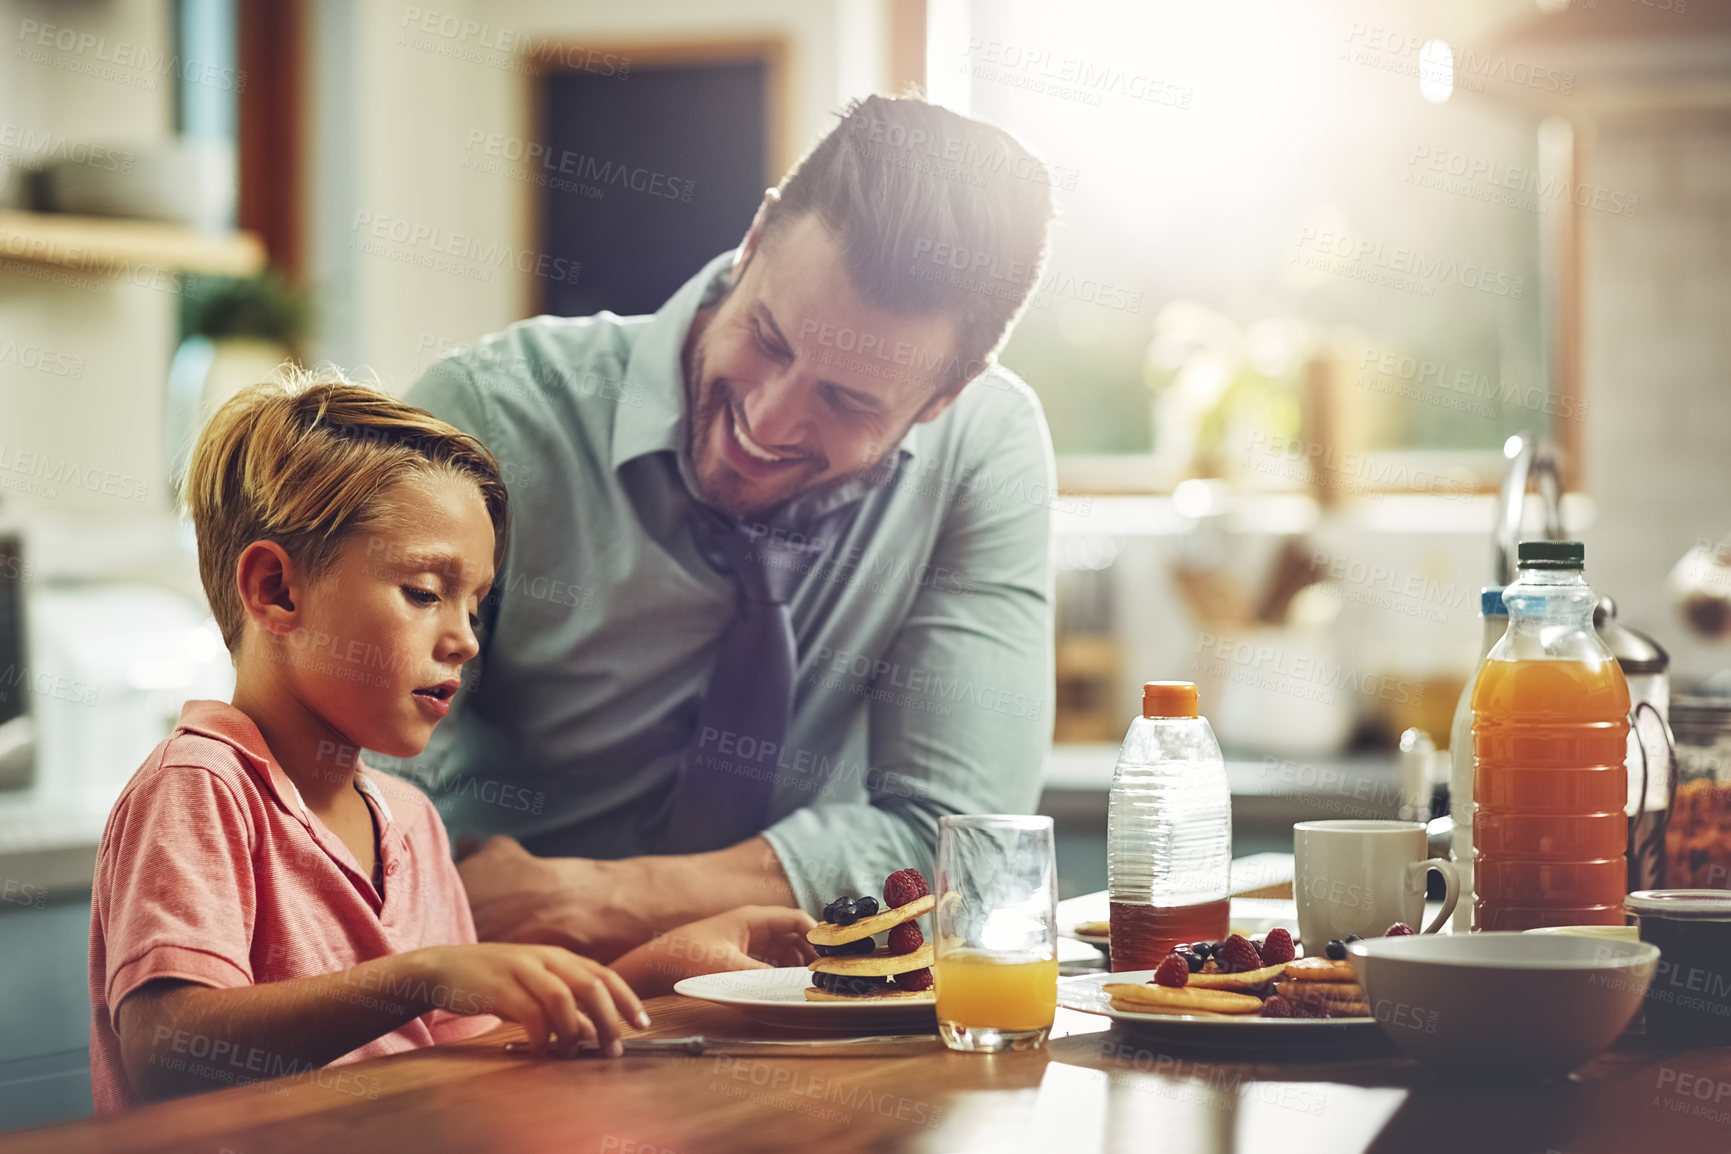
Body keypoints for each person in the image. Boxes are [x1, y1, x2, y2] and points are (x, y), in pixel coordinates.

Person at [406, 94, 1058, 962]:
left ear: (945, 395)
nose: (769, 422)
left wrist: (610, 898)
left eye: (847, 400)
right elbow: (339, 786)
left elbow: (964, 845)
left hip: (797, 1012)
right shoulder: (485, 417)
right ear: (753, 243)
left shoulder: (985, 447)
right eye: (770, 338)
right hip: (490, 984)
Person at [88, 371, 813, 1111]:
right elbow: (169, 1053)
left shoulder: (411, 823)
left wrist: (660, 966)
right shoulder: (199, 789)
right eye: (425, 593)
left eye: (474, 604)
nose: (465, 639)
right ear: (276, 589)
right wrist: (425, 974)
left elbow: (475, 1052)